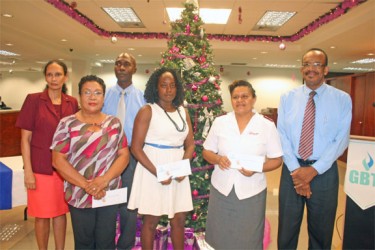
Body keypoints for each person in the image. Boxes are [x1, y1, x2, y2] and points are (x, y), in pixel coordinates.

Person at [277, 48, 352, 249]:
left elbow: (341, 139)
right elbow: (281, 135)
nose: (311, 69)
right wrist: (296, 170)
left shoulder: (342, 99)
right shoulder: (287, 98)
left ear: (326, 69)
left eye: (317, 64)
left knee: (321, 231)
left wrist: (313, 170)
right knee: (287, 230)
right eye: (307, 64)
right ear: (302, 68)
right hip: (291, 171)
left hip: (324, 173)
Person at [51, 75, 130, 249]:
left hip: (108, 193)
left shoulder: (114, 123)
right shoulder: (67, 124)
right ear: (79, 96)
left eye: (97, 93)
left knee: (106, 241)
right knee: (84, 242)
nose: (92, 97)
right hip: (79, 193)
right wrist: (87, 186)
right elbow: (58, 160)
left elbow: (124, 155)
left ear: (103, 97)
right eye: (87, 92)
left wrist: (103, 181)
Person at [202, 80, 283, 249]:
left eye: (245, 96)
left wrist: (257, 168)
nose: (240, 100)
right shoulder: (220, 122)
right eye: (235, 97)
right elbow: (206, 151)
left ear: (253, 99)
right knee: (218, 235)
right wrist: (218, 159)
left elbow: (277, 159)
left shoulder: (266, 126)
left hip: (251, 192)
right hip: (221, 189)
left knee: (248, 237)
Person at [127, 67, 195, 249]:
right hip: (152, 168)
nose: (169, 89)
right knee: (151, 220)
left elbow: (190, 144)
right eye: (164, 85)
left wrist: (183, 165)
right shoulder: (147, 110)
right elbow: (135, 148)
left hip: (178, 168)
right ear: (156, 88)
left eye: (172, 85)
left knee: (179, 219)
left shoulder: (183, 111)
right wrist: (158, 172)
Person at [15, 60, 79, 250]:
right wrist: (28, 171)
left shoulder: (72, 102)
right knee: (42, 215)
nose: (54, 79)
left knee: (60, 214)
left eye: (58, 74)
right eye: (50, 74)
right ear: (45, 77)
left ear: (65, 77)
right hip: (40, 169)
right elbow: (25, 139)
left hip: (64, 170)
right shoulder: (33, 100)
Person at [102, 52, 146, 249]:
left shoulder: (143, 99)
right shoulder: (104, 95)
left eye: (126, 64)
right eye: (118, 63)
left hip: (131, 156)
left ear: (134, 69)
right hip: (105, 156)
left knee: (129, 205)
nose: (121, 67)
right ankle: (106, 244)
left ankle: (125, 245)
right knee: (106, 203)